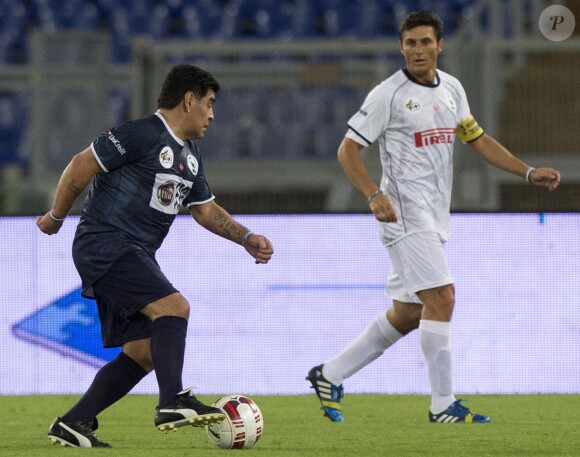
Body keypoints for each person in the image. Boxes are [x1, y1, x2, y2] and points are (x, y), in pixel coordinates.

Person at [306, 11, 560, 424]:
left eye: (426, 42)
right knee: (443, 298)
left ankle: (329, 374)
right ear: (401, 47)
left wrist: (527, 171)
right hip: (404, 213)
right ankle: (443, 405)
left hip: (433, 215)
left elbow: (476, 139)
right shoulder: (387, 94)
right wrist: (373, 194)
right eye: (410, 43)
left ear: (440, 45)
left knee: (407, 314)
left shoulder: (453, 89)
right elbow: (347, 150)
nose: (418, 50)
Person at [37, 64, 274, 447]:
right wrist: (56, 216)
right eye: (210, 104)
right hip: (105, 242)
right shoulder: (141, 133)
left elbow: (206, 210)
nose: (212, 115)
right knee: (174, 308)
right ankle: (172, 401)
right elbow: (81, 166)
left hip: (132, 251)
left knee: (145, 352)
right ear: (189, 100)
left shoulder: (190, 158)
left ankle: (74, 421)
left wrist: (245, 237)